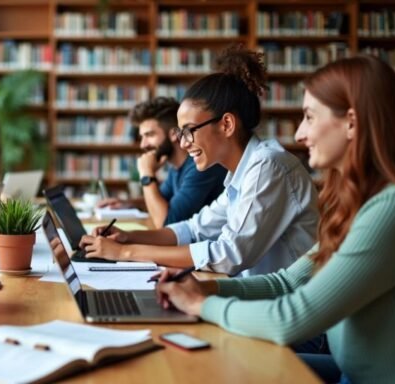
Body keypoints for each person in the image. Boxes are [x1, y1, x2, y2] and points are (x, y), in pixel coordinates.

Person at [156, 55, 395, 383]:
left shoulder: (393, 207)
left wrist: (200, 305)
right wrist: (205, 287)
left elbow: (291, 318)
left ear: (351, 122)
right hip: (351, 371)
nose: (300, 134)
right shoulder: (359, 202)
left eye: (308, 117)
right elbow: (286, 283)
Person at [81, 46, 319, 276]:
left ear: (226, 124)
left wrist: (126, 252)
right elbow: (194, 229)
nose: (183, 143)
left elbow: (229, 255)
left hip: (281, 304)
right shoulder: (241, 173)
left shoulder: (268, 166)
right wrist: (129, 237)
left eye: (189, 131)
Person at [97, 97, 227, 228]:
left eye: (150, 135)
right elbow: (162, 200)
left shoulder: (200, 167)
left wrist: (146, 174)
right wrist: (129, 203)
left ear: (173, 134)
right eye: (142, 137)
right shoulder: (176, 167)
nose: (143, 145)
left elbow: (165, 222)